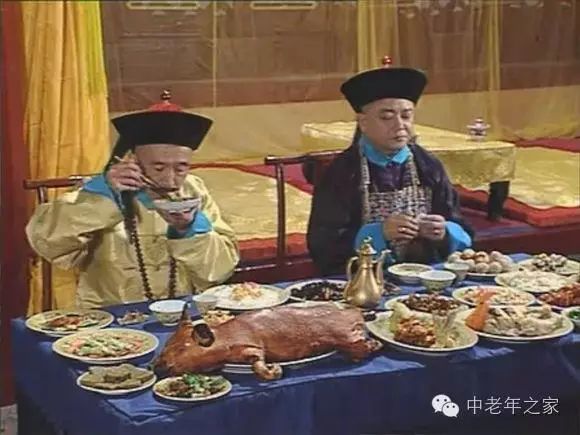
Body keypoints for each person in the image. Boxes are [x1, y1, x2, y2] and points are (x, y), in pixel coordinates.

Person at [27, 93, 240, 308]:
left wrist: (188, 229)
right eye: (158, 168)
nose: (170, 179)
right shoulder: (104, 189)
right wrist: (105, 197)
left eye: (181, 168)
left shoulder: (194, 191)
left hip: (181, 312)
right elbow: (48, 242)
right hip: (110, 314)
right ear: (134, 161)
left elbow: (219, 270)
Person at [307, 60, 473, 275]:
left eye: (406, 115)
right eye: (386, 117)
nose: (400, 125)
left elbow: (460, 226)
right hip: (363, 279)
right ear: (363, 123)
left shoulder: (428, 166)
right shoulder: (342, 172)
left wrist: (444, 232)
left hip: (425, 275)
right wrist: (379, 233)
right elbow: (323, 245)